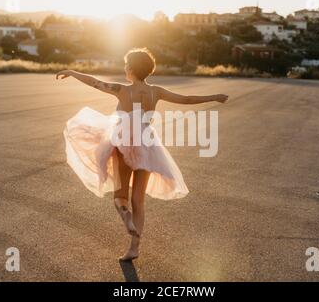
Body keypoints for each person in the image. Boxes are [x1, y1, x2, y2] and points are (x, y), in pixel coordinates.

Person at [57, 48, 228, 260]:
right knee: (139, 199)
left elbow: (95, 82)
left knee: (120, 196)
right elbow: (186, 99)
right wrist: (215, 97)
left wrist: (73, 72)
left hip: (123, 143)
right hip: (148, 145)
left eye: (126, 65)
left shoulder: (121, 90)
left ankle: (126, 219)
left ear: (130, 69)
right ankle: (134, 248)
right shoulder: (156, 92)